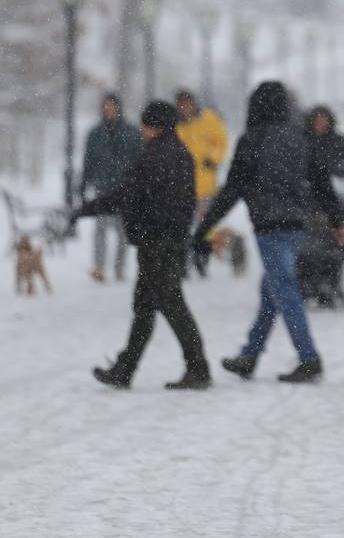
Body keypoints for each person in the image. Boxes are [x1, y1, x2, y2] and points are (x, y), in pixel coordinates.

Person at [192, 81, 344, 384]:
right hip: (296, 225)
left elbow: (232, 190)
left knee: (286, 291)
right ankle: (249, 355)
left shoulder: (252, 139)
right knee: (272, 291)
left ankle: (309, 358)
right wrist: (338, 220)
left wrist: (204, 228)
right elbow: (322, 182)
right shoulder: (302, 138)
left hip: (269, 226)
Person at [71, 101, 211, 391]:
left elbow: (125, 194)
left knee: (171, 305)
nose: (143, 129)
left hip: (157, 242)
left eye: (146, 124)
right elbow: (184, 201)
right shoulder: (180, 153)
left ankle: (198, 368)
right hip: (169, 239)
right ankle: (125, 368)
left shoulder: (155, 157)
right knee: (146, 306)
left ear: (154, 126)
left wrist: (86, 209)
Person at [80, 93, 143, 283]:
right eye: (105, 107)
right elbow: (88, 161)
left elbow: (139, 159)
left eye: (111, 106)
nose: (107, 110)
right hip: (102, 188)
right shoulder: (95, 134)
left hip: (125, 189)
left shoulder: (131, 132)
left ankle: (119, 268)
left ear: (118, 108)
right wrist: (83, 185)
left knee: (123, 231)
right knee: (100, 229)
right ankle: (99, 267)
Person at [175, 90, 229, 272]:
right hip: (181, 185)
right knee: (182, 226)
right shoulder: (175, 126)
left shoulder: (209, 119)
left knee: (204, 225)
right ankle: (182, 262)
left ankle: (202, 257)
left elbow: (222, 141)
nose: (185, 108)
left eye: (187, 104)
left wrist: (212, 158)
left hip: (204, 184)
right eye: (181, 104)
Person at [303, 105, 344, 179]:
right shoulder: (303, 139)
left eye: (324, 121)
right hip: (308, 183)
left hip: (331, 183)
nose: (321, 125)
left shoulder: (339, 141)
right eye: (318, 122)